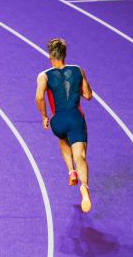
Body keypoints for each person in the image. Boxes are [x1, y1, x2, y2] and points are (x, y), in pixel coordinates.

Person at [36, 37, 94, 212]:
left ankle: (71, 171)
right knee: (81, 156)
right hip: (76, 118)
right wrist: (82, 80)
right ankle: (84, 186)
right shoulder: (78, 70)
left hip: (58, 120)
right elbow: (88, 95)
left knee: (62, 137)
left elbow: (39, 97)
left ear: (50, 56)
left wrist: (45, 116)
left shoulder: (44, 75)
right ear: (65, 54)